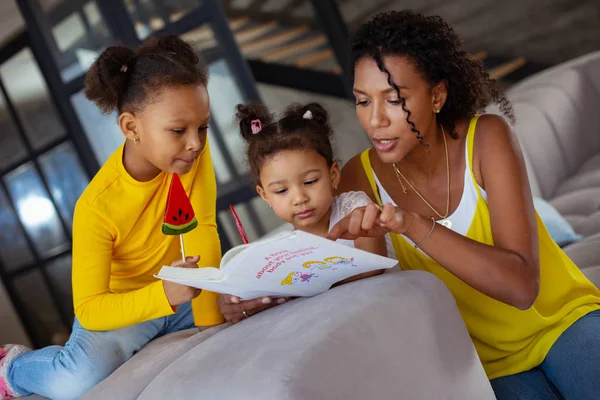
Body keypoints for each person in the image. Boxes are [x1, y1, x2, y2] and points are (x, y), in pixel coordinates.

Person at [328, 10, 600, 399]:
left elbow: (521, 287)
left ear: (437, 95)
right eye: (362, 101)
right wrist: (260, 299)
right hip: (485, 366)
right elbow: (356, 290)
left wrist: (413, 224)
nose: (375, 120)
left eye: (394, 99)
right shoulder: (359, 179)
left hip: (561, 323)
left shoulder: (486, 139)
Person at [0, 35, 225, 400]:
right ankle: (12, 367)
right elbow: (90, 310)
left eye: (203, 127)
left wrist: (211, 322)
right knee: (71, 382)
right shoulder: (95, 207)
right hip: (125, 311)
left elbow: (202, 226)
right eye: (178, 130)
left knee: (249, 302)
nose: (196, 143)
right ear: (131, 128)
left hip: (182, 294)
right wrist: (163, 295)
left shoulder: (191, 155)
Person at [217, 102, 388, 324]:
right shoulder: (282, 251)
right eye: (281, 190)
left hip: (380, 311)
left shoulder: (353, 208)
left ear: (333, 175)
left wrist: (302, 288)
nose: (299, 198)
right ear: (264, 195)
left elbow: (374, 264)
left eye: (310, 181)